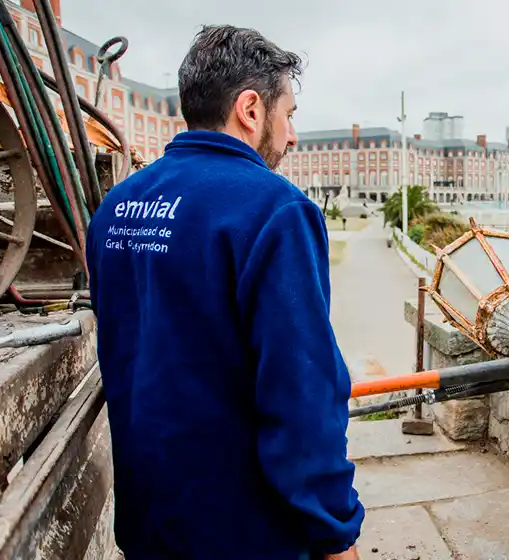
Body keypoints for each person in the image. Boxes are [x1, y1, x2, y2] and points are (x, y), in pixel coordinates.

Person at [86, 25, 364, 559]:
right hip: (247, 532)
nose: (291, 136)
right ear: (251, 109)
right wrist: (335, 529)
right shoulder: (274, 210)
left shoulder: (116, 208)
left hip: (151, 523)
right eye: (290, 115)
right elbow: (301, 390)